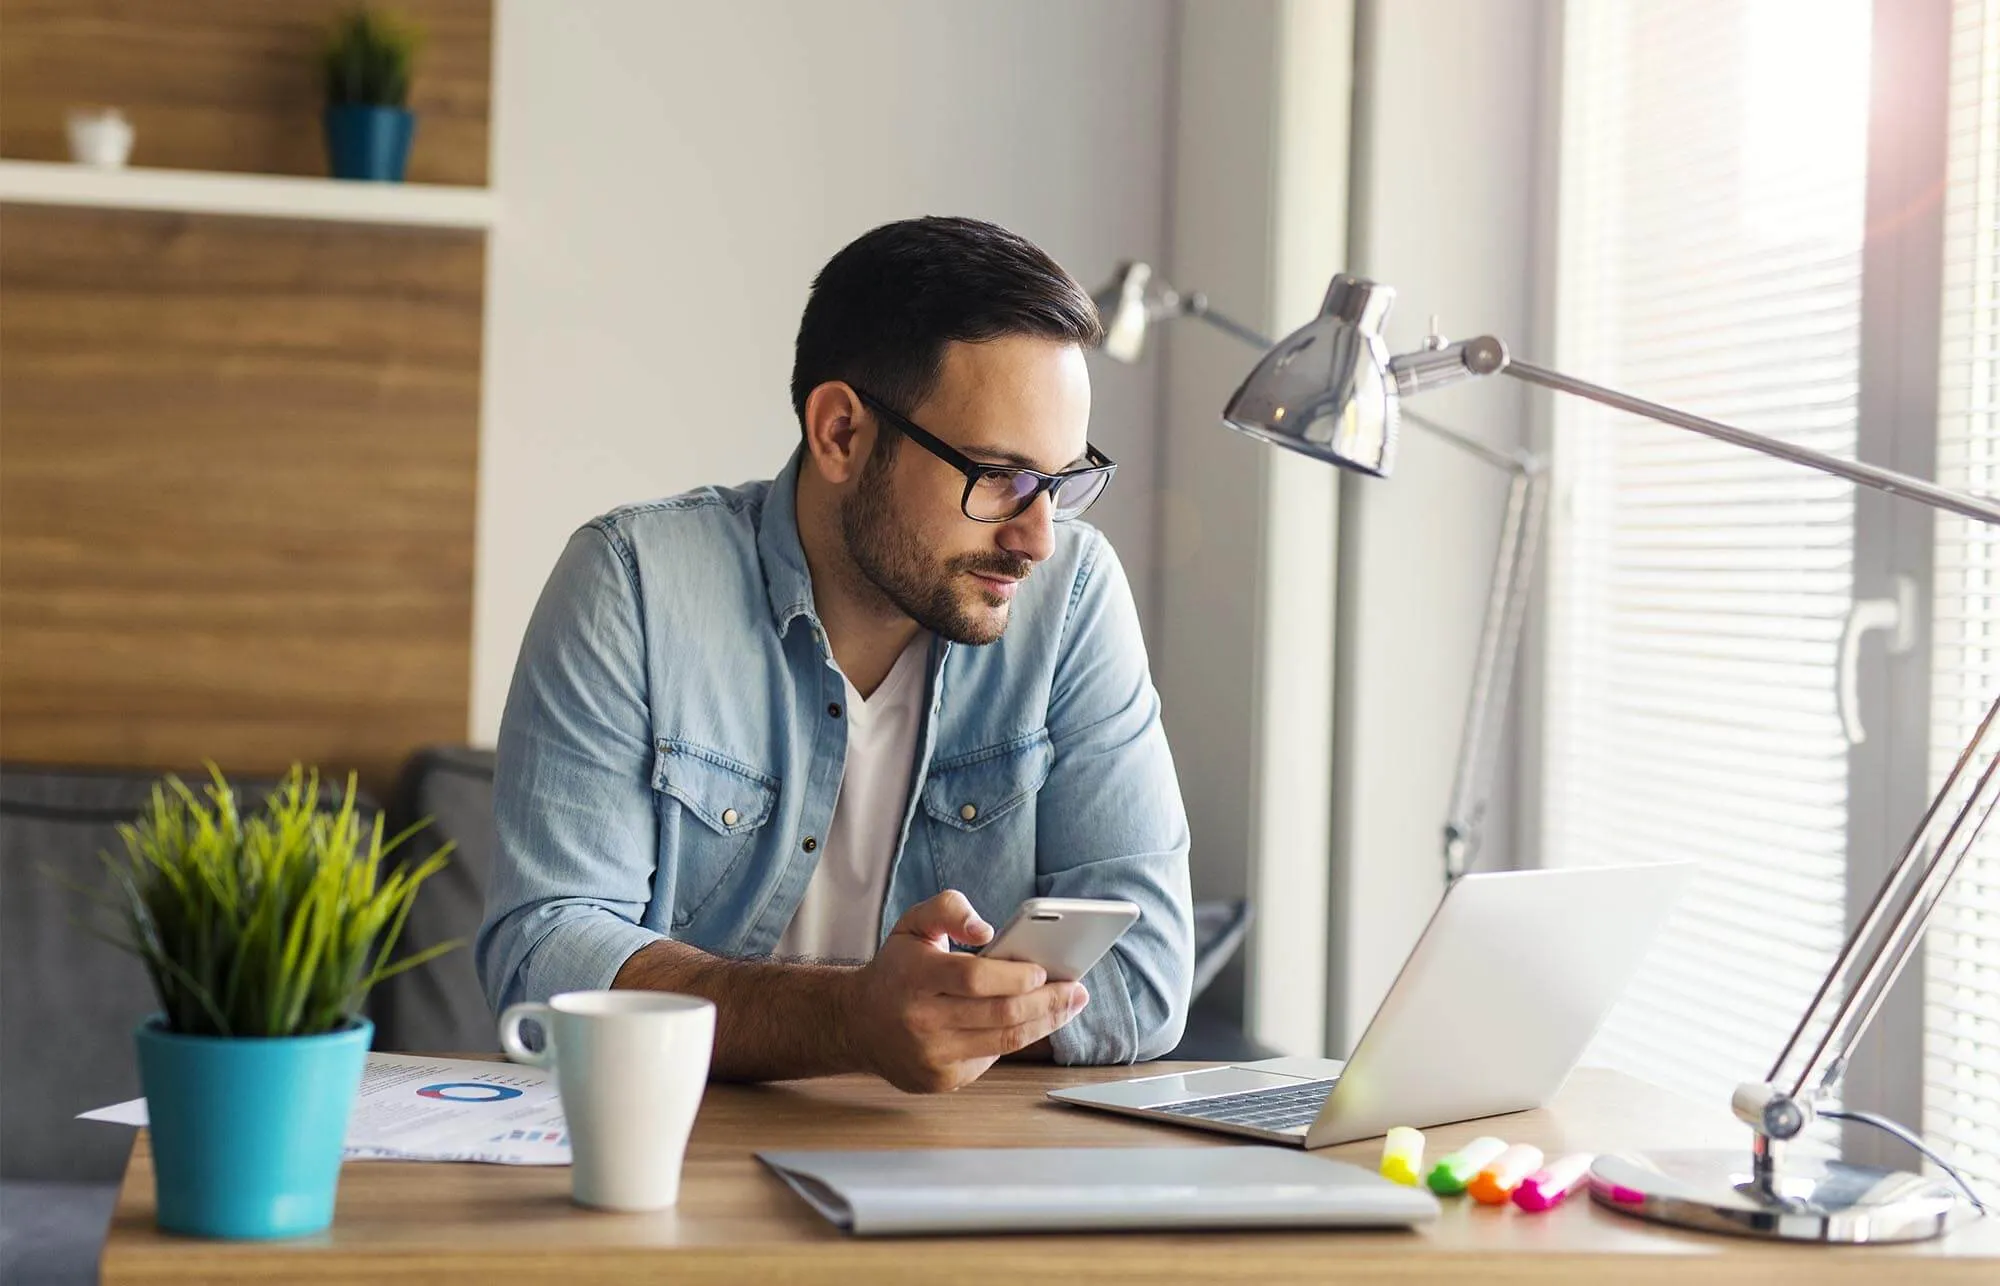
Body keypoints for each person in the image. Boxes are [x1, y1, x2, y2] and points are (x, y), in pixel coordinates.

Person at [477, 216, 1193, 1093]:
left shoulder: (1073, 598)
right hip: (678, 1158)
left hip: (961, 1168)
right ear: (842, 434)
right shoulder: (633, 584)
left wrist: (930, 1023)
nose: (1039, 538)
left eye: (1063, 482)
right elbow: (544, 956)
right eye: (999, 476)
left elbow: (1148, 975)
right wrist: (852, 1021)